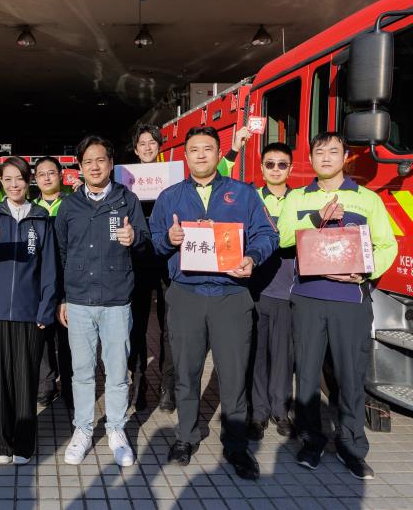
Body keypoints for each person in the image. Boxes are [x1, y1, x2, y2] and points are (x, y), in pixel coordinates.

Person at [150, 126, 278, 481]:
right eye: (194, 149)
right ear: (185, 156)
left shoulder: (244, 193)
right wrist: (169, 238)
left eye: (208, 148)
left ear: (219, 154)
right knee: (187, 371)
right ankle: (186, 435)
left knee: (234, 375)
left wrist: (252, 256)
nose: (201, 155)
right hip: (186, 294)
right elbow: (153, 240)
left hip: (230, 295)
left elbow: (268, 233)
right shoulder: (170, 196)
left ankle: (236, 445)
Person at [278, 132, 397, 480]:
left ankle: (351, 447)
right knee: (307, 375)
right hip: (308, 298)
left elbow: (387, 245)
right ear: (311, 159)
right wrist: (315, 218)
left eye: (334, 151)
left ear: (345, 157)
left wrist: (366, 270)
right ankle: (311, 441)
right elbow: (282, 238)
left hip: (351, 300)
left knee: (350, 376)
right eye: (320, 152)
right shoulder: (297, 197)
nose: (326, 157)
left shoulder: (367, 199)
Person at [55, 135, 149, 467]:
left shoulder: (127, 200)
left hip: (116, 300)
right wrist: (63, 298)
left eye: (100, 160)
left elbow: (146, 241)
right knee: (81, 371)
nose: (94, 167)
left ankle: (116, 429)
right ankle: (82, 429)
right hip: (79, 300)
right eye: (88, 162)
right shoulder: (69, 205)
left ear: (111, 164)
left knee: (117, 371)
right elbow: (61, 253)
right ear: (79, 168)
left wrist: (134, 237)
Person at [0, 156, 58, 464]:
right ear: (1, 183)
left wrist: (46, 309)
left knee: (25, 379)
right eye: (7, 179)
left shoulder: (41, 218)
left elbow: (49, 269)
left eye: (19, 178)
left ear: (28, 181)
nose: (14, 185)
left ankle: (23, 444)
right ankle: (0, 444)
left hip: (29, 312)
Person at [246, 142, 296, 441]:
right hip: (255, 290)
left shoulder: (300, 199)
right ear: (262, 167)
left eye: (282, 164)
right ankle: (258, 413)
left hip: (288, 290)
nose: (275, 169)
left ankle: (281, 411)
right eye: (269, 164)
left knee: (283, 357)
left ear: (290, 168)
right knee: (257, 355)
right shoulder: (251, 198)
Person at [128, 123, 174, 412]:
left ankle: (168, 385)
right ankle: (139, 382)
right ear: (135, 150)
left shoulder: (172, 177)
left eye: (152, 143)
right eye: (142, 143)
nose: (147, 147)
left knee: (170, 326)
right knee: (137, 325)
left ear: (160, 146)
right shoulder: (126, 180)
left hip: (168, 257)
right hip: (139, 258)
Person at [33, 156, 73, 409]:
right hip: (39, 282)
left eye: (51, 173)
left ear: (60, 175)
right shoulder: (30, 209)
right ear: (35, 180)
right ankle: (46, 385)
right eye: (41, 174)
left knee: (68, 337)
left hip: (68, 279)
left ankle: (70, 387)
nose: (46, 178)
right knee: (43, 335)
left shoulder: (72, 205)